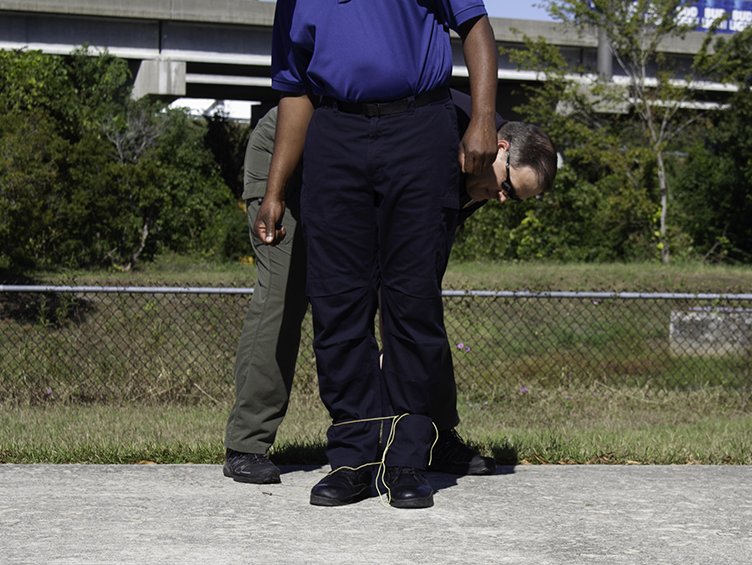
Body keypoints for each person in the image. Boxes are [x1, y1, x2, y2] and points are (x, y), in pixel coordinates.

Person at [223, 96, 558, 486]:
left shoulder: (479, 173)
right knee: (286, 291)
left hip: (359, 167)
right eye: (508, 189)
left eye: (514, 199)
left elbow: (418, 284)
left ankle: (436, 437)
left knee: (418, 302)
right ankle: (246, 443)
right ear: (498, 148)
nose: (501, 200)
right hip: (292, 151)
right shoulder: (443, 129)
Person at [259, 0, 500, 509]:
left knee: (411, 299)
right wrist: (275, 190)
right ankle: (354, 457)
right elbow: (294, 88)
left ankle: (409, 457)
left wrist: (482, 119)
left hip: (419, 125)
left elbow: (476, 26)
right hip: (334, 133)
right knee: (336, 301)